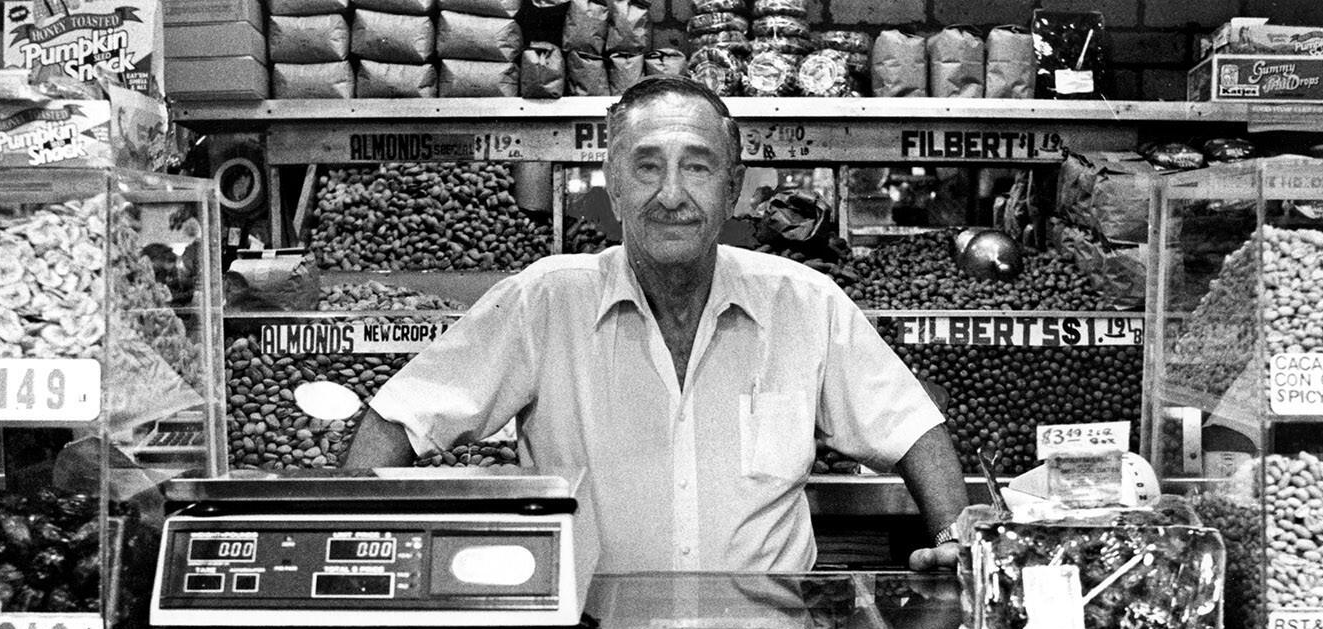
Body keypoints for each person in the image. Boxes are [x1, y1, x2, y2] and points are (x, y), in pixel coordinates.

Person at [343, 75, 972, 574]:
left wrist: (955, 539)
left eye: (697, 167)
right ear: (614, 187)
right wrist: (355, 552)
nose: (671, 194)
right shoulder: (545, 302)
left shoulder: (804, 302)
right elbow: (399, 417)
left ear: (734, 189)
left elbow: (914, 428)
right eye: (647, 168)